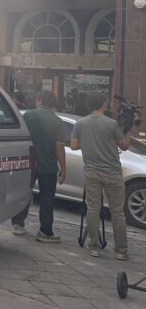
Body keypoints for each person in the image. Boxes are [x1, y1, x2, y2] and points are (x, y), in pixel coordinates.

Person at [71, 91, 131, 260]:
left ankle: (94, 246)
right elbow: (124, 146)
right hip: (112, 172)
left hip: (91, 172)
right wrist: (128, 132)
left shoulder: (80, 123)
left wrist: (89, 144)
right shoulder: (112, 124)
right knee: (117, 212)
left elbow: (74, 146)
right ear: (103, 104)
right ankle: (121, 251)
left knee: (93, 208)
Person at [12, 90, 66, 242]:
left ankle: (18, 224)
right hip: (48, 166)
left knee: (24, 193)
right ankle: (45, 231)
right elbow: (60, 148)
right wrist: (64, 169)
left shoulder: (28, 116)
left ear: (40, 100)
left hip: (29, 163)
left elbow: (20, 136)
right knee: (47, 199)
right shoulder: (57, 121)